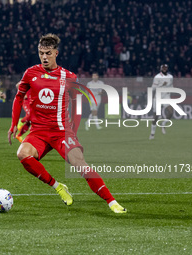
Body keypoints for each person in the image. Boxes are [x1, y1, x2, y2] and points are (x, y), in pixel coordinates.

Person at [8, 33, 126, 213]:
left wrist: (74, 131)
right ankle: (58, 186)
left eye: (48, 53)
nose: (44, 57)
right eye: (41, 53)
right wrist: (12, 125)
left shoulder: (68, 76)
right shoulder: (30, 73)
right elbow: (18, 98)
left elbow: (77, 104)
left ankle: (112, 202)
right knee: (23, 154)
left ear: (56, 53)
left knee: (80, 163)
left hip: (61, 131)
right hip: (38, 131)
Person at [149, 64, 174, 140]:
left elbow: (171, 86)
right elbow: (152, 88)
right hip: (158, 97)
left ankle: (163, 124)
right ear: (161, 69)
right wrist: (162, 85)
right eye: (163, 68)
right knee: (156, 116)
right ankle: (152, 133)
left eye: (165, 68)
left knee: (171, 112)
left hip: (166, 96)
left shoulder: (170, 77)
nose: (164, 69)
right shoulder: (157, 77)